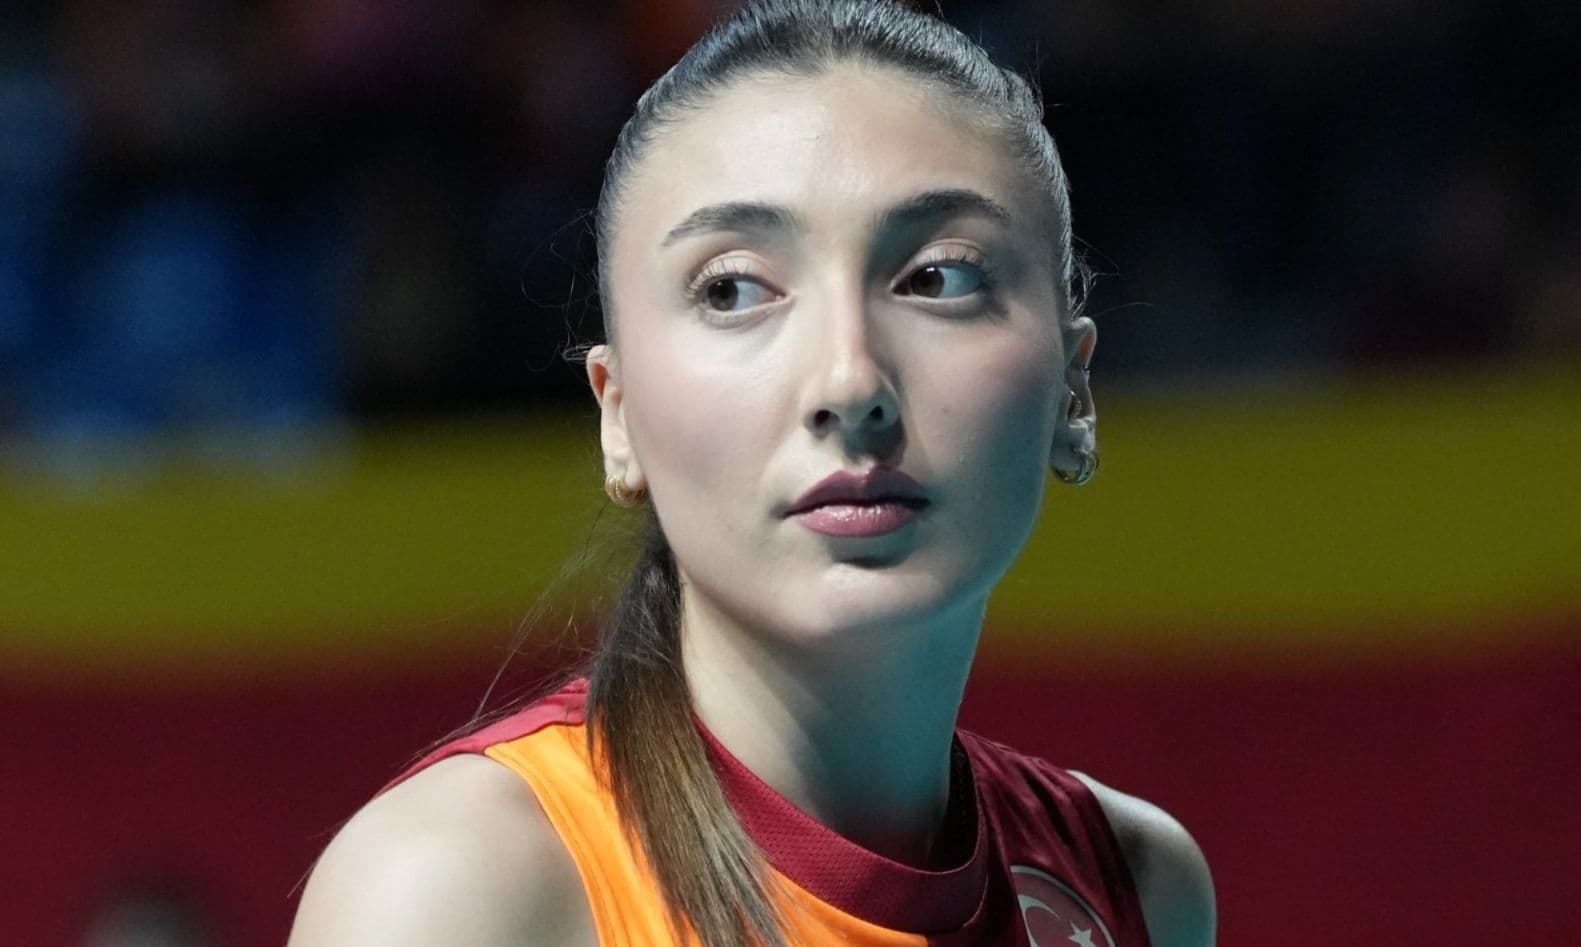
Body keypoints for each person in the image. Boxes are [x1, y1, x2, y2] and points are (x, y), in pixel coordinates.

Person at [287, 1, 1215, 945]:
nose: (849, 381)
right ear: (617, 413)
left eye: (938, 276)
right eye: (732, 290)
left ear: (1072, 387)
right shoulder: (451, 890)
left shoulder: (1132, 885)